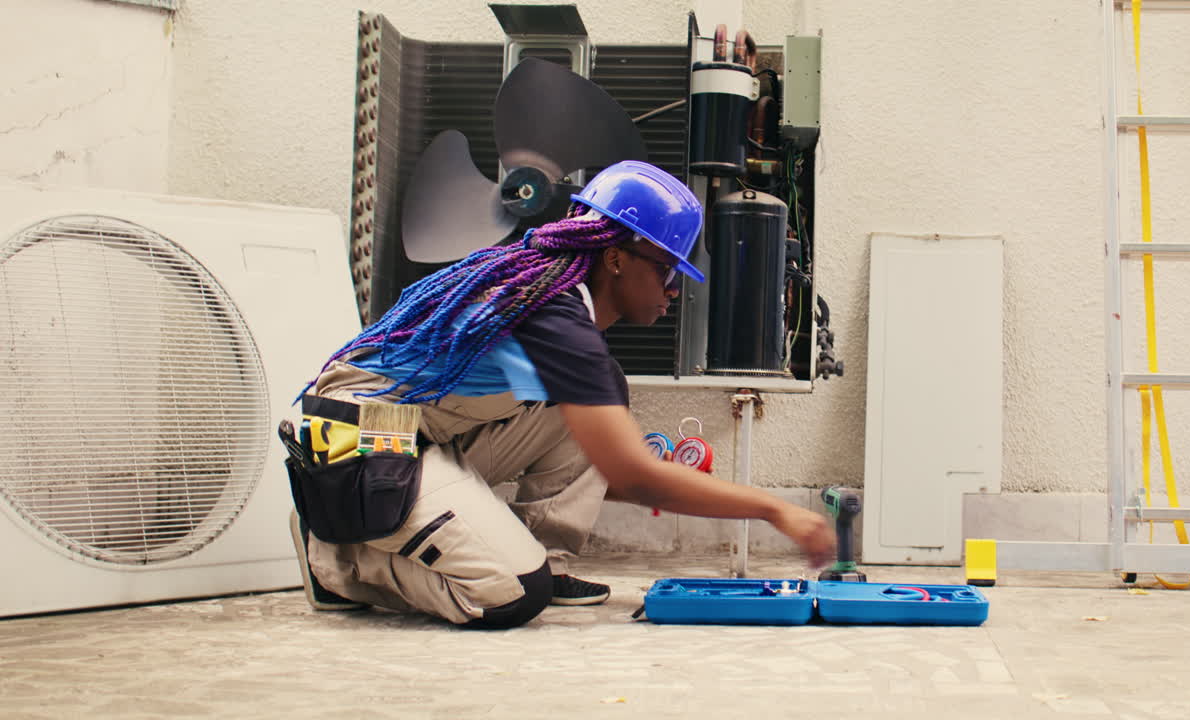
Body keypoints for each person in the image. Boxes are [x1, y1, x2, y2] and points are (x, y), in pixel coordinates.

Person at [285, 160, 835, 629]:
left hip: (421, 436)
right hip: (359, 438)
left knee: (601, 396)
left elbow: (611, 467)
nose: (673, 291)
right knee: (511, 594)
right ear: (615, 258)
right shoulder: (553, 314)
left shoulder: (568, 316)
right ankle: (337, 561)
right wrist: (774, 509)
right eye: (667, 270)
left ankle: (543, 558)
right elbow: (632, 477)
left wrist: (655, 477)